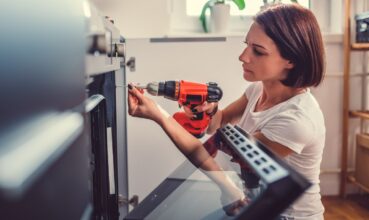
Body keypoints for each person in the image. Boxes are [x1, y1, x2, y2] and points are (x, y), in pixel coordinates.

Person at [128, 3, 325, 220]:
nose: (243, 56)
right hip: (252, 200)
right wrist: (209, 111)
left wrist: (158, 114)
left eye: (258, 51)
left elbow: (206, 155)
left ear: (291, 60)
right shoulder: (257, 89)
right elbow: (216, 124)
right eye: (246, 45)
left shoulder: (295, 120)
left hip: (285, 215)